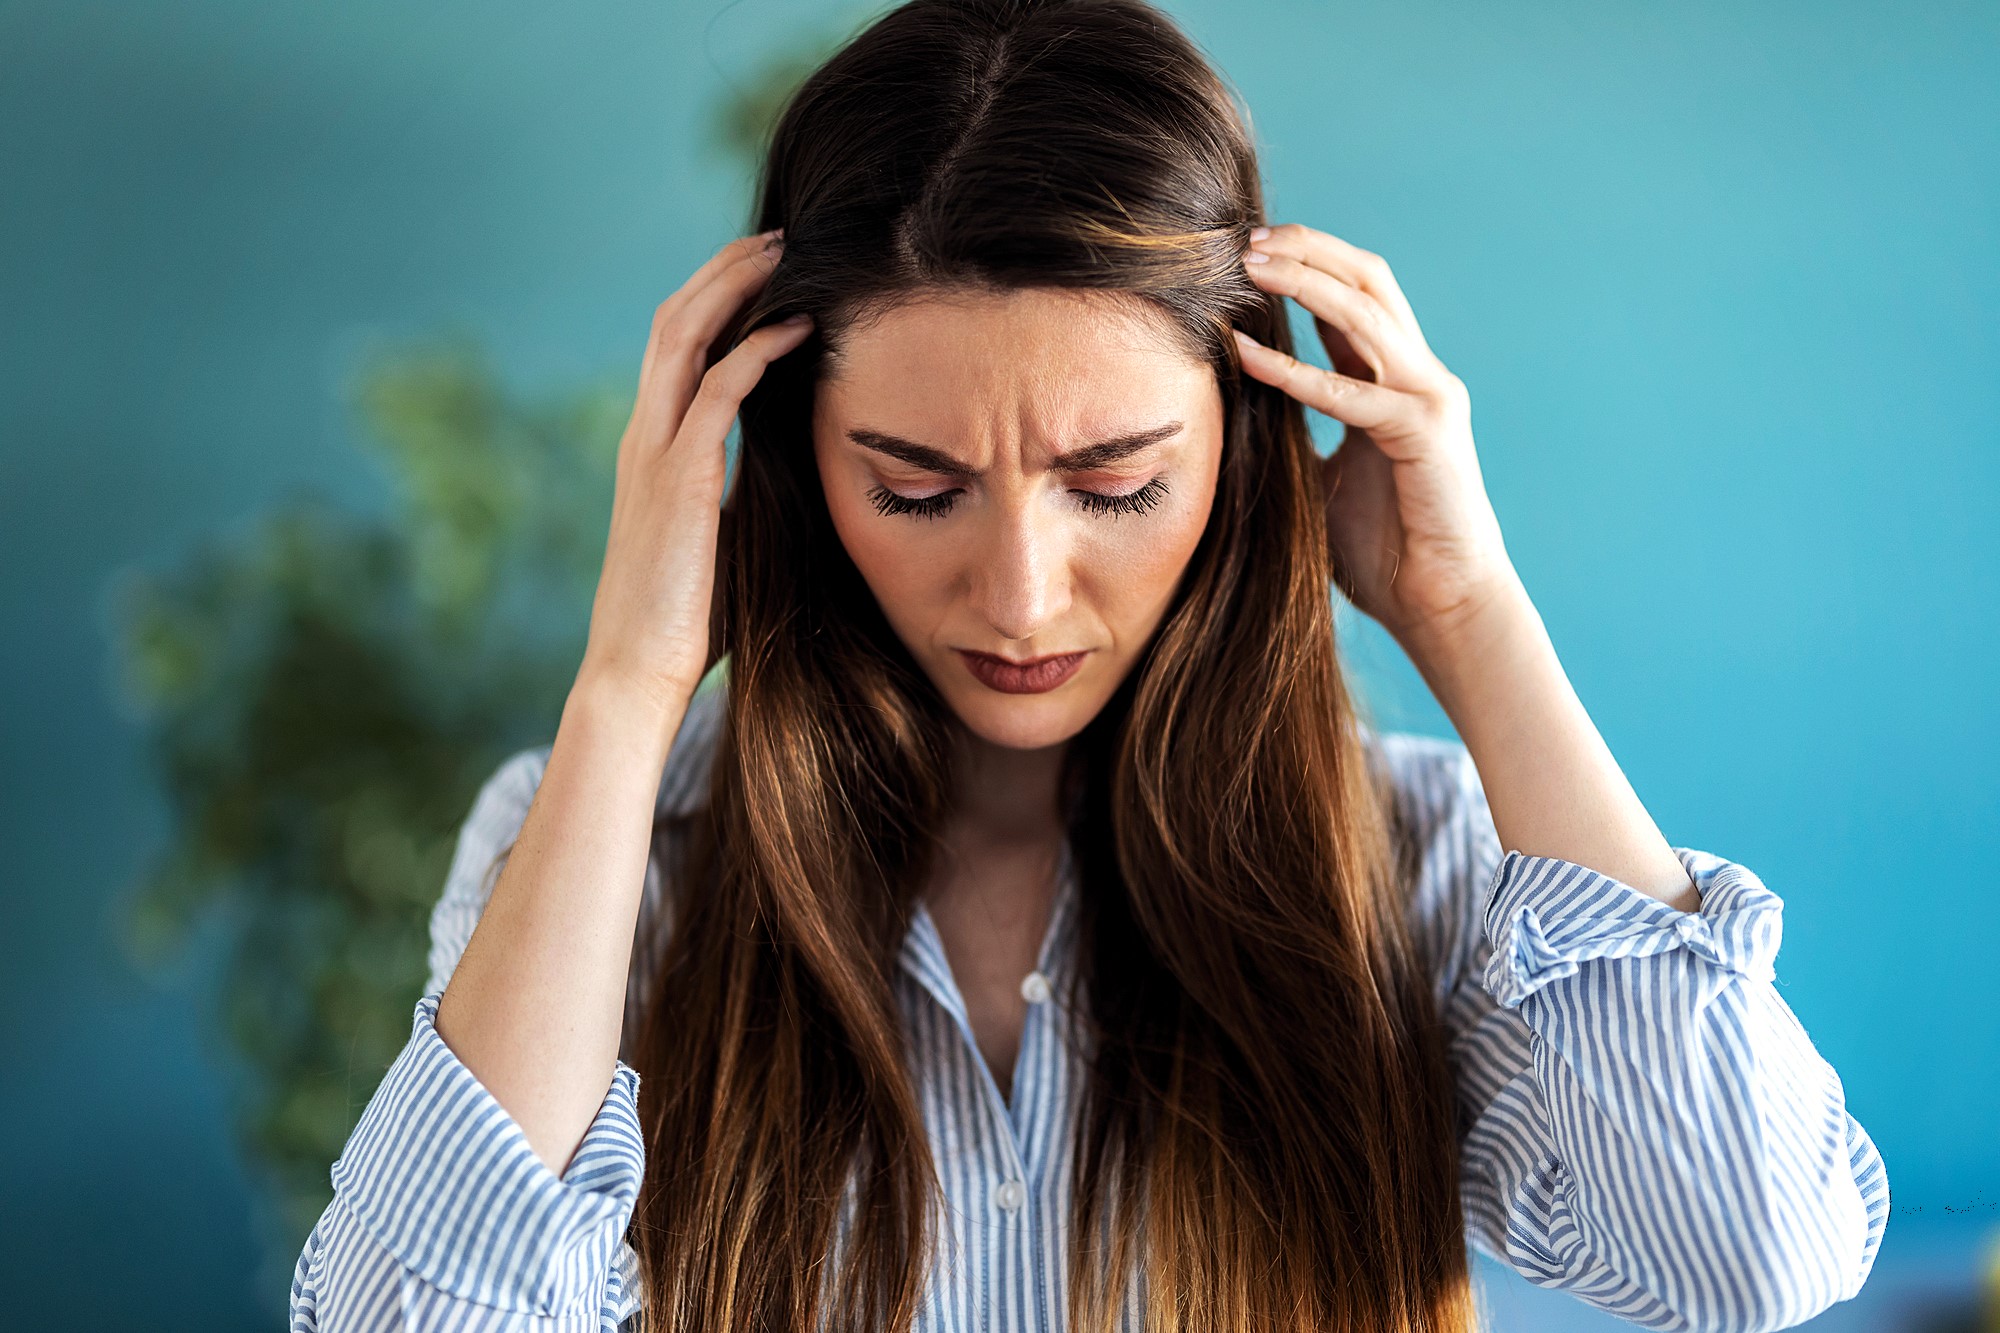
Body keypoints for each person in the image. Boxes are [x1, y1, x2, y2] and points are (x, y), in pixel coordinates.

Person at [287, 0, 1889, 1328]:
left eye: (1118, 483)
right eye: (914, 488)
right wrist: (630, 681)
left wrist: (1469, 616)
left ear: (1247, 444)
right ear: (784, 461)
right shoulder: (604, 857)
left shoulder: (1416, 867)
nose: (1022, 591)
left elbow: (1742, 1257)